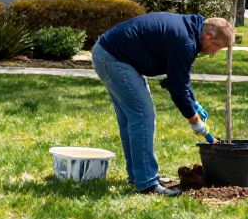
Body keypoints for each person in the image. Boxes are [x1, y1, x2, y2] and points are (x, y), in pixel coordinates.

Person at [92, 13, 234, 196]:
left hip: (111, 54)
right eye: (217, 47)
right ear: (208, 35)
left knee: (133, 119)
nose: (214, 53)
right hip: (114, 59)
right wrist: (194, 121)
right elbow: (177, 88)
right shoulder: (185, 41)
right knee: (142, 116)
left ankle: (139, 176)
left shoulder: (190, 31)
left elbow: (180, 78)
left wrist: (194, 103)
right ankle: (147, 184)